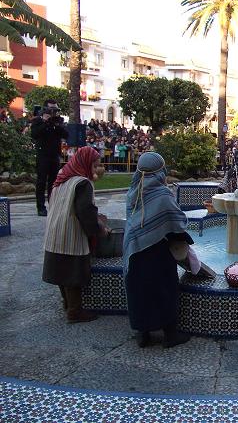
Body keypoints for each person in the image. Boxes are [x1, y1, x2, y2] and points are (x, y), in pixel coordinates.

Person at [123, 152, 192, 348]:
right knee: (164, 288)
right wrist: (185, 240)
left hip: (135, 249)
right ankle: (170, 335)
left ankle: (143, 333)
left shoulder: (133, 191)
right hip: (157, 252)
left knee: (138, 290)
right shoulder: (162, 194)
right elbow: (176, 221)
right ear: (160, 170)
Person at [42, 146, 108, 323]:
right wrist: (98, 229)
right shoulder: (82, 183)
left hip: (54, 230)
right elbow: (85, 211)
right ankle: (75, 311)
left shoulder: (62, 176)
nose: (95, 170)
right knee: (72, 272)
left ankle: (67, 303)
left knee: (60, 270)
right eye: (94, 165)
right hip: (70, 231)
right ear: (85, 163)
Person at [31, 100, 69, 216]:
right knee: (41, 181)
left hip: (54, 155)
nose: (54, 112)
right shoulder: (38, 121)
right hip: (43, 155)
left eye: (55, 110)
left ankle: (53, 205)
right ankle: (41, 207)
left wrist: (57, 125)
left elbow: (66, 135)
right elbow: (34, 134)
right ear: (45, 109)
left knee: (54, 182)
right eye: (51, 109)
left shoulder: (57, 121)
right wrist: (45, 122)